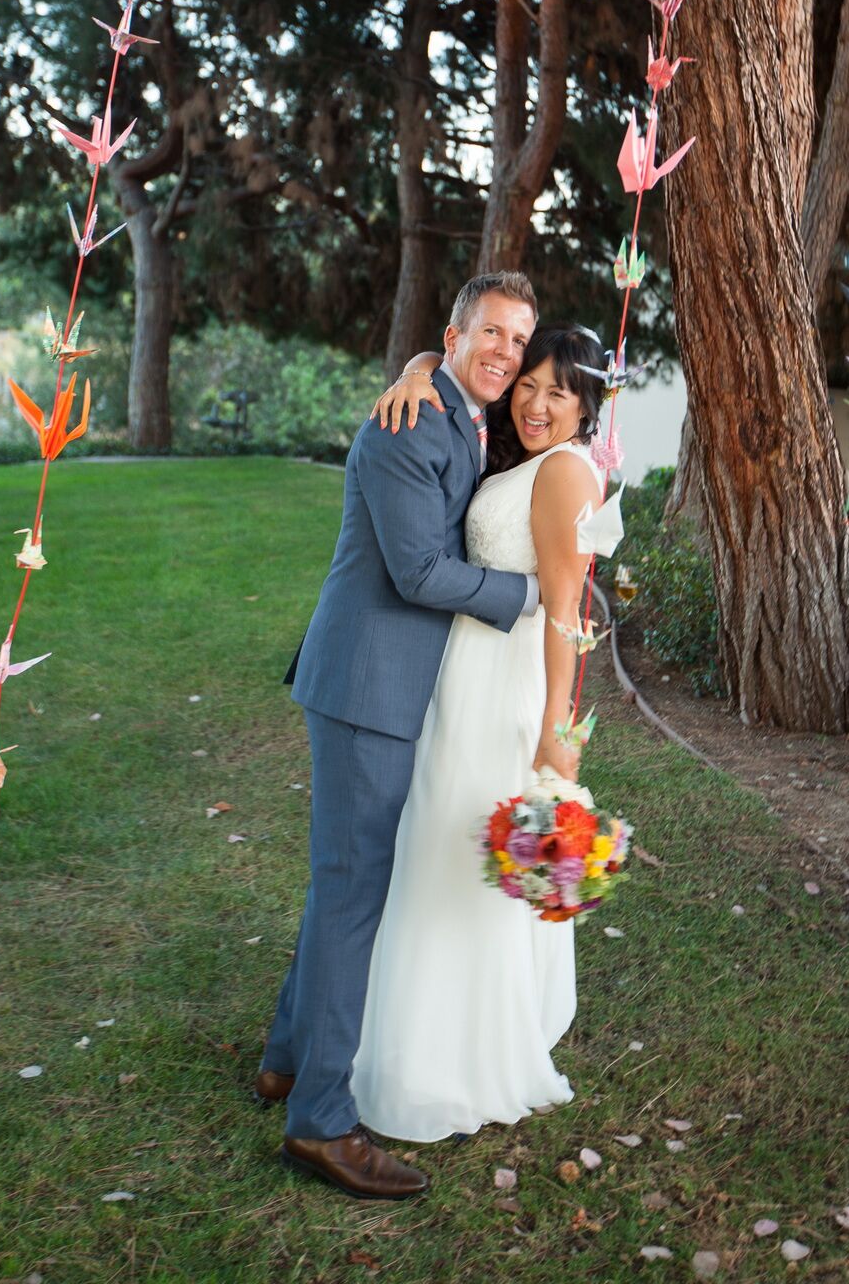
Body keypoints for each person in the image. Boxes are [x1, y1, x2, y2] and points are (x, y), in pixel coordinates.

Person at [256, 272, 542, 1201]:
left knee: (342, 881)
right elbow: (420, 570)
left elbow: (474, 412)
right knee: (351, 895)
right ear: (456, 332)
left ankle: (287, 1062)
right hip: (366, 688)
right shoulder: (413, 421)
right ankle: (322, 1125)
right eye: (488, 333)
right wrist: (529, 597)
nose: (503, 351)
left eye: (517, 338)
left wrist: (423, 360)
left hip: (389, 688)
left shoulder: (454, 405)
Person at [349, 323, 606, 1142]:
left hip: (507, 690)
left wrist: (556, 731)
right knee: (431, 849)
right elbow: (454, 360)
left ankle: (460, 1059)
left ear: (585, 405)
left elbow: (568, 611)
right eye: (528, 384)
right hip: (459, 678)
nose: (533, 402)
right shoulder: (518, 456)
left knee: (463, 860)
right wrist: (421, 364)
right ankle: (409, 1044)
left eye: (557, 393)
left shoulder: (566, 472)